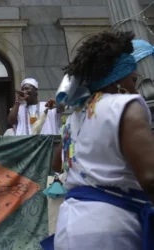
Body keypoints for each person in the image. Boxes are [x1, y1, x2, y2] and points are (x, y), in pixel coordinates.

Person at [41, 31, 154, 250]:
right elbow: (150, 177)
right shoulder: (126, 106)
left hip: (70, 226)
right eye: (133, 80)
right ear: (117, 82)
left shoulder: (75, 116)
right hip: (110, 228)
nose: (136, 88)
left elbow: (57, 164)